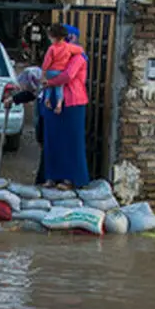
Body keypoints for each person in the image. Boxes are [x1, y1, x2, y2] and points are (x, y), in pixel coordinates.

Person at [40, 25, 91, 189]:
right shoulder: (56, 54)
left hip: (73, 102)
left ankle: (71, 178)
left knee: (71, 140)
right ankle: (51, 176)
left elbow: (68, 76)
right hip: (54, 100)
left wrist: (49, 82)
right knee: (53, 140)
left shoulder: (79, 57)